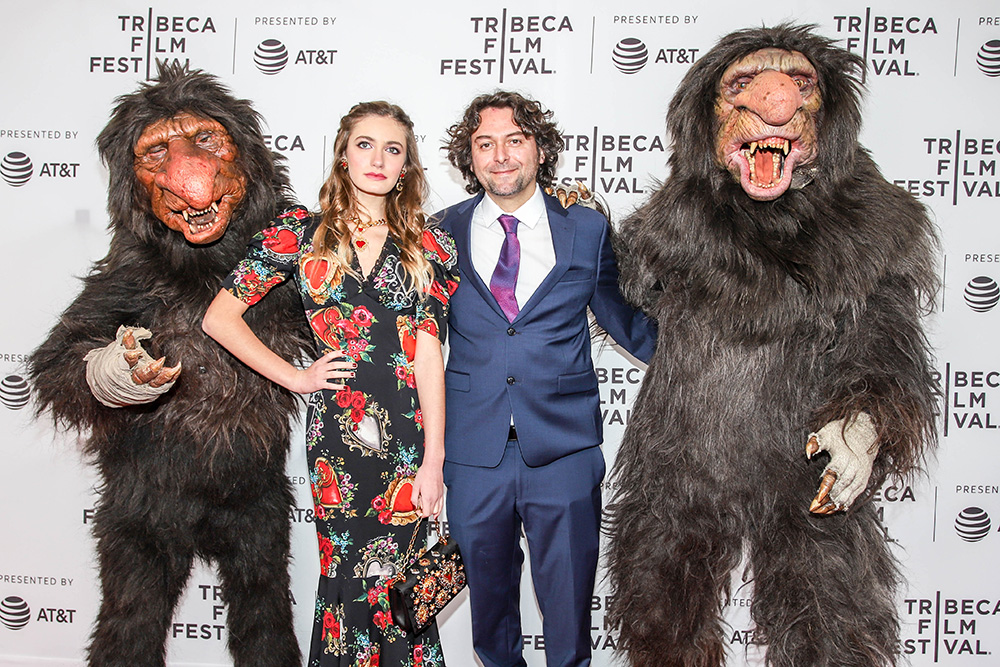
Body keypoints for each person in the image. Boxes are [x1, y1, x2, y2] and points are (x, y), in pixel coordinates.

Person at [203, 101, 458, 667]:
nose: (378, 159)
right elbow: (219, 318)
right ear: (343, 155)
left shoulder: (429, 245)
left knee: (402, 584)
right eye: (365, 144)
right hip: (339, 437)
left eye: (393, 149)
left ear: (407, 166)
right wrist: (297, 377)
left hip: (409, 437)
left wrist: (434, 460)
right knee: (345, 574)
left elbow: (428, 355)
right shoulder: (300, 232)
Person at [435, 91, 657, 667]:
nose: (500, 156)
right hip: (473, 451)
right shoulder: (439, 231)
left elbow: (624, 321)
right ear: (469, 156)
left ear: (539, 149)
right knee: (489, 616)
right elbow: (415, 333)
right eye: (485, 143)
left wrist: (708, 360)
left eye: (515, 140)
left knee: (568, 612)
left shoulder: (585, 227)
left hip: (563, 447)